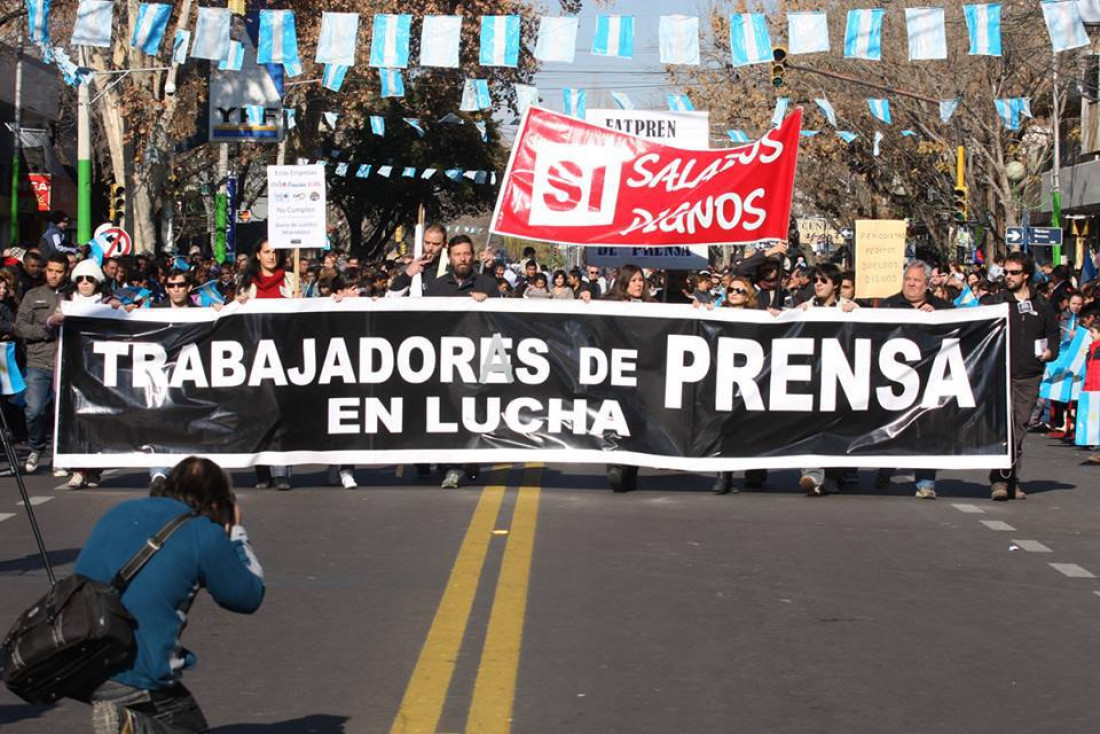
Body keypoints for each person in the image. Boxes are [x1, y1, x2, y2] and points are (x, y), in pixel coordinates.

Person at [74, 457, 264, 734]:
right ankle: (135, 726)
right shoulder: (202, 532)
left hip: (81, 654)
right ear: (216, 504)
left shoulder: (121, 510)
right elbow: (247, 596)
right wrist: (236, 533)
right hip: (138, 671)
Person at [980, 251, 1060, 500]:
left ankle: (1009, 478)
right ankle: (1002, 481)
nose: (1008, 277)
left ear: (1026, 275)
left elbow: (1053, 335)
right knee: (1003, 428)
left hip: (1028, 376)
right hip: (999, 374)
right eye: (1005, 272)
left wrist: (1050, 353)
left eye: (1014, 273)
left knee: (1018, 427)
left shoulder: (1042, 305)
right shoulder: (995, 302)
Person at [875, 261, 953, 499]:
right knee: (891, 428)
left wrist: (937, 318)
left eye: (917, 280)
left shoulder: (943, 308)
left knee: (926, 430)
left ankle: (926, 481)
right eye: (908, 278)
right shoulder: (888, 305)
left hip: (927, 382)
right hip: (893, 383)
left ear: (927, 283)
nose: (911, 283)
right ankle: (884, 468)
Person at [426, 236, 498, 488]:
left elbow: (503, 320)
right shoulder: (435, 287)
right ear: (450, 256)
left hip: (476, 361)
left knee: (470, 414)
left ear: (473, 255)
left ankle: (464, 461)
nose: (463, 259)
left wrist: (488, 302)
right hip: (443, 360)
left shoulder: (488, 284)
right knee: (447, 413)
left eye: (467, 254)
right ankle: (453, 463)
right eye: (458, 254)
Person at [237, 240, 298, 489]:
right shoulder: (247, 282)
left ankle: (281, 471)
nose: (271, 256)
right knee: (259, 414)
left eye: (275, 252)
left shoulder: (292, 280)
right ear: (258, 255)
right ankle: (263, 472)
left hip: (284, 353)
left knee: (281, 413)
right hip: (255, 354)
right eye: (266, 252)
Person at [13, 253, 68, 474]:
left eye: (59, 271)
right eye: (50, 270)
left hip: (65, 364)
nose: (54, 275)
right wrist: (46, 326)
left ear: (66, 273)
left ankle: (59, 456)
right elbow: (20, 327)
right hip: (38, 361)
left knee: (60, 414)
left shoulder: (72, 296)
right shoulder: (32, 295)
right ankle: (35, 447)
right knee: (34, 410)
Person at [712, 277, 767, 495]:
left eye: (740, 291)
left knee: (751, 425)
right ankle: (723, 476)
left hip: (752, 379)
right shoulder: (716, 313)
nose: (734, 293)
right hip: (724, 378)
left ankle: (754, 471)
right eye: (731, 290)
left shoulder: (758, 317)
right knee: (724, 427)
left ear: (748, 296)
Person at [602, 265, 655, 492]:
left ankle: (631, 467)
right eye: (633, 280)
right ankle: (615, 463)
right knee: (614, 417)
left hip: (642, 374)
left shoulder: (652, 307)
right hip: (614, 371)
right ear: (623, 282)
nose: (638, 284)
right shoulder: (607, 303)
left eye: (640, 280)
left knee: (636, 422)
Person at [389, 222, 446, 295]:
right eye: (427, 243)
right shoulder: (411, 267)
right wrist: (407, 274)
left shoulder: (451, 268)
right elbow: (391, 295)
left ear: (444, 244)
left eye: (436, 244)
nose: (430, 248)